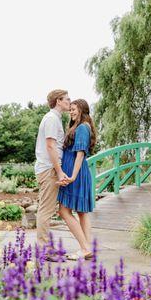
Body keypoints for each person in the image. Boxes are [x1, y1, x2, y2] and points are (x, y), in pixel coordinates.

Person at [57, 99, 96, 260]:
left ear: (82, 110)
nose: (71, 112)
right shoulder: (81, 127)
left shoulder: (81, 128)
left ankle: (85, 248)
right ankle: (87, 248)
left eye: (74, 109)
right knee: (81, 212)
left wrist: (72, 176)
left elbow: (80, 154)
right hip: (76, 172)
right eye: (70, 109)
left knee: (64, 211)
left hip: (76, 173)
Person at [35, 89, 70, 248]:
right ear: (58, 101)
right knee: (46, 210)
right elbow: (50, 146)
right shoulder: (51, 119)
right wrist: (59, 170)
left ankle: (45, 247)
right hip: (49, 169)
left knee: (46, 209)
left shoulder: (55, 119)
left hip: (48, 168)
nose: (69, 102)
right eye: (67, 100)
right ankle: (44, 249)